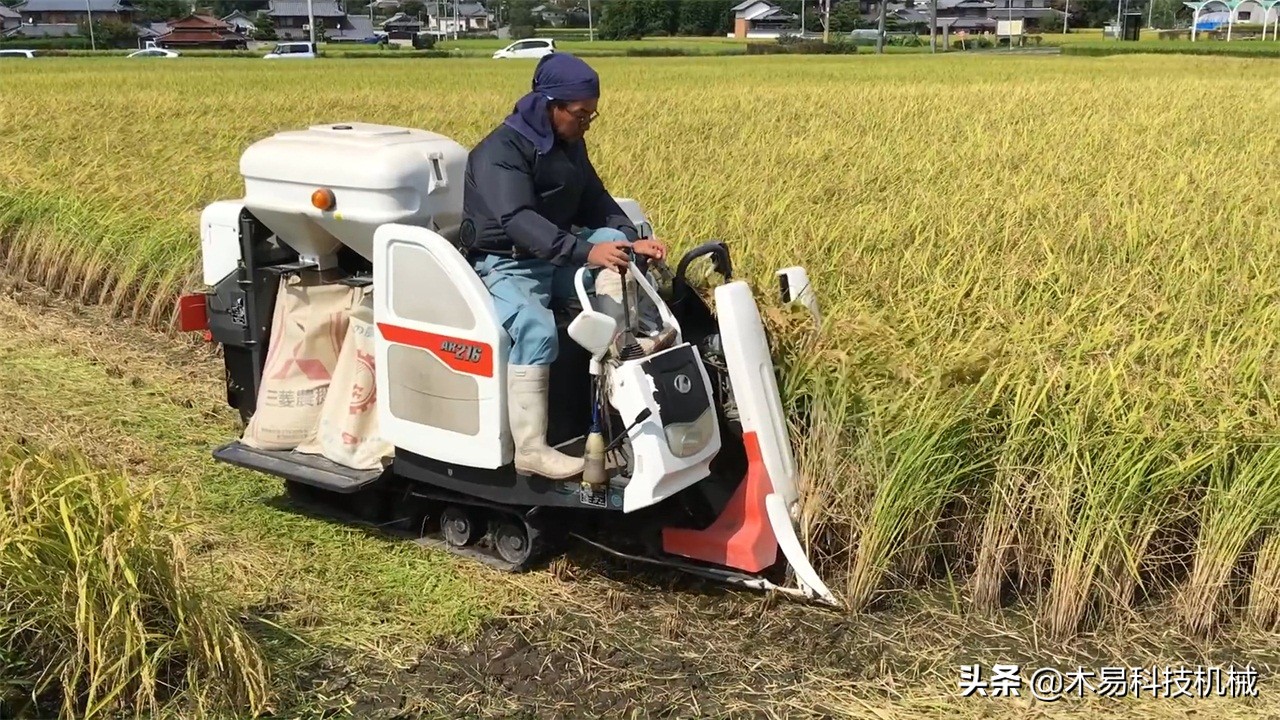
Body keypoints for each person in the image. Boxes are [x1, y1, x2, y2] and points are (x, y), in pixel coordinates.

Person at [459, 52, 668, 481]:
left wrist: (631, 238)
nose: (587, 122)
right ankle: (532, 450)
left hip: (553, 256)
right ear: (550, 105)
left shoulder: (570, 144)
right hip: (506, 264)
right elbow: (518, 221)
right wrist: (583, 253)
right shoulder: (499, 151)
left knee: (615, 245)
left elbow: (595, 200)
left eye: (592, 115)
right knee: (535, 325)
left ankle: (624, 344)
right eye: (580, 114)